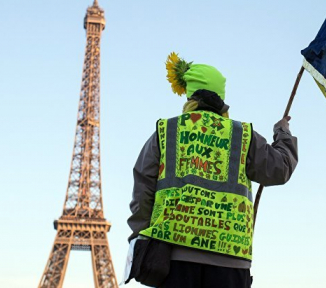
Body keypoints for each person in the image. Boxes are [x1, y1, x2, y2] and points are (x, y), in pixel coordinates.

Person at [127, 52, 298, 288]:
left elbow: (142, 192)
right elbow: (280, 169)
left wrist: (140, 238)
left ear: (189, 94)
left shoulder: (166, 131)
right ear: (222, 97)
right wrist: (283, 133)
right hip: (231, 261)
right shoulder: (242, 135)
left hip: (173, 260)